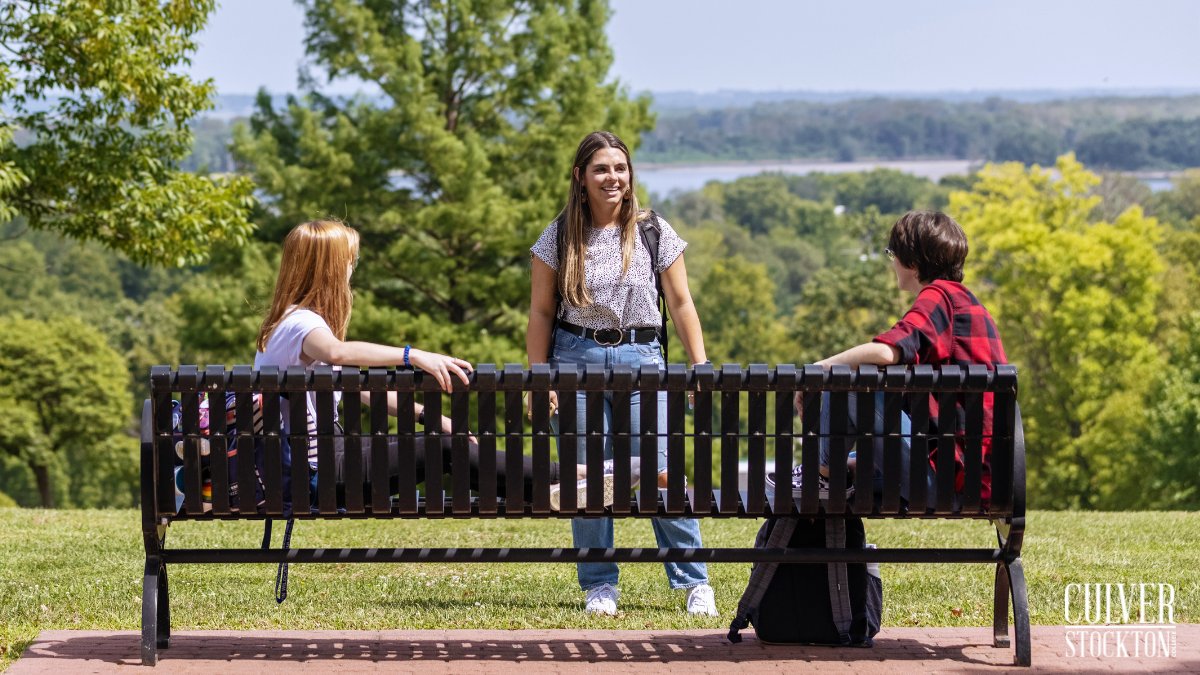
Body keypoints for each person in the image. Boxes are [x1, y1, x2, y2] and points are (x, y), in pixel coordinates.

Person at [256, 219, 592, 504]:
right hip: (318, 473)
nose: (351, 268)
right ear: (327, 268)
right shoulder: (303, 325)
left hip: (320, 461)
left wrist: (432, 417)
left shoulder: (290, 323)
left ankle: (566, 478)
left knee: (446, 440)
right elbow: (337, 354)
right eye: (348, 260)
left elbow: (357, 385)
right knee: (445, 449)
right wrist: (411, 355)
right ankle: (571, 479)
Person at [526, 131, 718, 617]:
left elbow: (680, 303)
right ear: (580, 176)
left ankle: (693, 580)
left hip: (642, 362)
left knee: (659, 469)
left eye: (620, 168)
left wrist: (699, 366)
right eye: (601, 169)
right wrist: (539, 377)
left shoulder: (654, 230)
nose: (613, 178)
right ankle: (599, 585)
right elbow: (541, 313)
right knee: (587, 479)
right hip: (574, 359)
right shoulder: (559, 235)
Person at [796, 210, 1009, 506]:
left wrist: (817, 370)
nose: (892, 262)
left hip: (946, 484)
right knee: (855, 449)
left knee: (850, 383)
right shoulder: (971, 305)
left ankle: (822, 476)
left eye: (892, 253)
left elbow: (887, 351)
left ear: (911, 260)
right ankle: (827, 472)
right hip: (978, 481)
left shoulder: (939, 297)